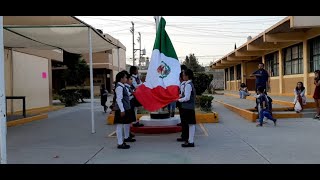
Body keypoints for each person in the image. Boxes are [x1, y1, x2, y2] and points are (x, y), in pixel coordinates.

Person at [178, 69, 196, 147]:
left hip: (187, 107)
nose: (183, 76)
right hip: (189, 107)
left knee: (190, 125)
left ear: (187, 76)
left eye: (184, 75)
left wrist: (179, 100)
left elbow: (187, 98)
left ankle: (190, 142)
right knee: (191, 124)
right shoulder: (188, 84)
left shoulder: (188, 85)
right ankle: (190, 141)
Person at [113, 71, 131, 149]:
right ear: (121, 78)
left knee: (121, 125)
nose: (126, 79)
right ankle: (120, 143)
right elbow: (119, 99)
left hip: (123, 109)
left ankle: (121, 142)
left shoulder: (122, 86)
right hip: (121, 109)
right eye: (125, 77)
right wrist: (122, 110)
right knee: (119, 126)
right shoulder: (119, 87)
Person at [124, 73, 137, 142]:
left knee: (129, 121)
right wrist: (134, 93)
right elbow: (127, 97)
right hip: (128, 106)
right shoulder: (125, 87)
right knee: (127, 122)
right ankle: (127, 136)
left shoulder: (129, 87)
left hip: (130, 105)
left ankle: (128, 134)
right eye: (130, 79)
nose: (132, 80)